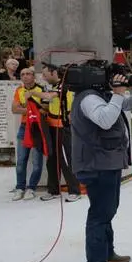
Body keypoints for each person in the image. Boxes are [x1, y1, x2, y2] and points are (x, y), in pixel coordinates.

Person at [71, 63, 132, 262]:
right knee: (100, 214)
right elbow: (105, 120)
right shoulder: (88, 98)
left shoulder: (100, 95)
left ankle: (107, 253)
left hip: (106, 163)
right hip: (96, 164)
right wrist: (118, 94)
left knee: (107, 211)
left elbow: (131, 104)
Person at [39, 63, 81, 202]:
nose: (44, 78)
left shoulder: (64, 86)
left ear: (53, 73)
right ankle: (53, 190)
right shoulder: (53, 87)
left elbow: (52, 97)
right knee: (51, 160)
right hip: (51, 127)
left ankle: (74, 190)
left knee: (65, 159)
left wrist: (32, 92)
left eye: (45, 75)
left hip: (62, 128)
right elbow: (49, 102)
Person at [10, 67, 44, 201]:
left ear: (34, 76)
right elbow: (14, 109)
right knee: (21, 161)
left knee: (37, 162)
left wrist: (26, 110)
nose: (25, 76)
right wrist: (31, 110)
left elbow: (45, 109)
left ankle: (32, 188)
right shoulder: (19, 91)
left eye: (28, 74)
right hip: (24, 128)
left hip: (37, 128)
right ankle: (20, 188)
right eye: (23, 74)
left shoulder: (41, 90)